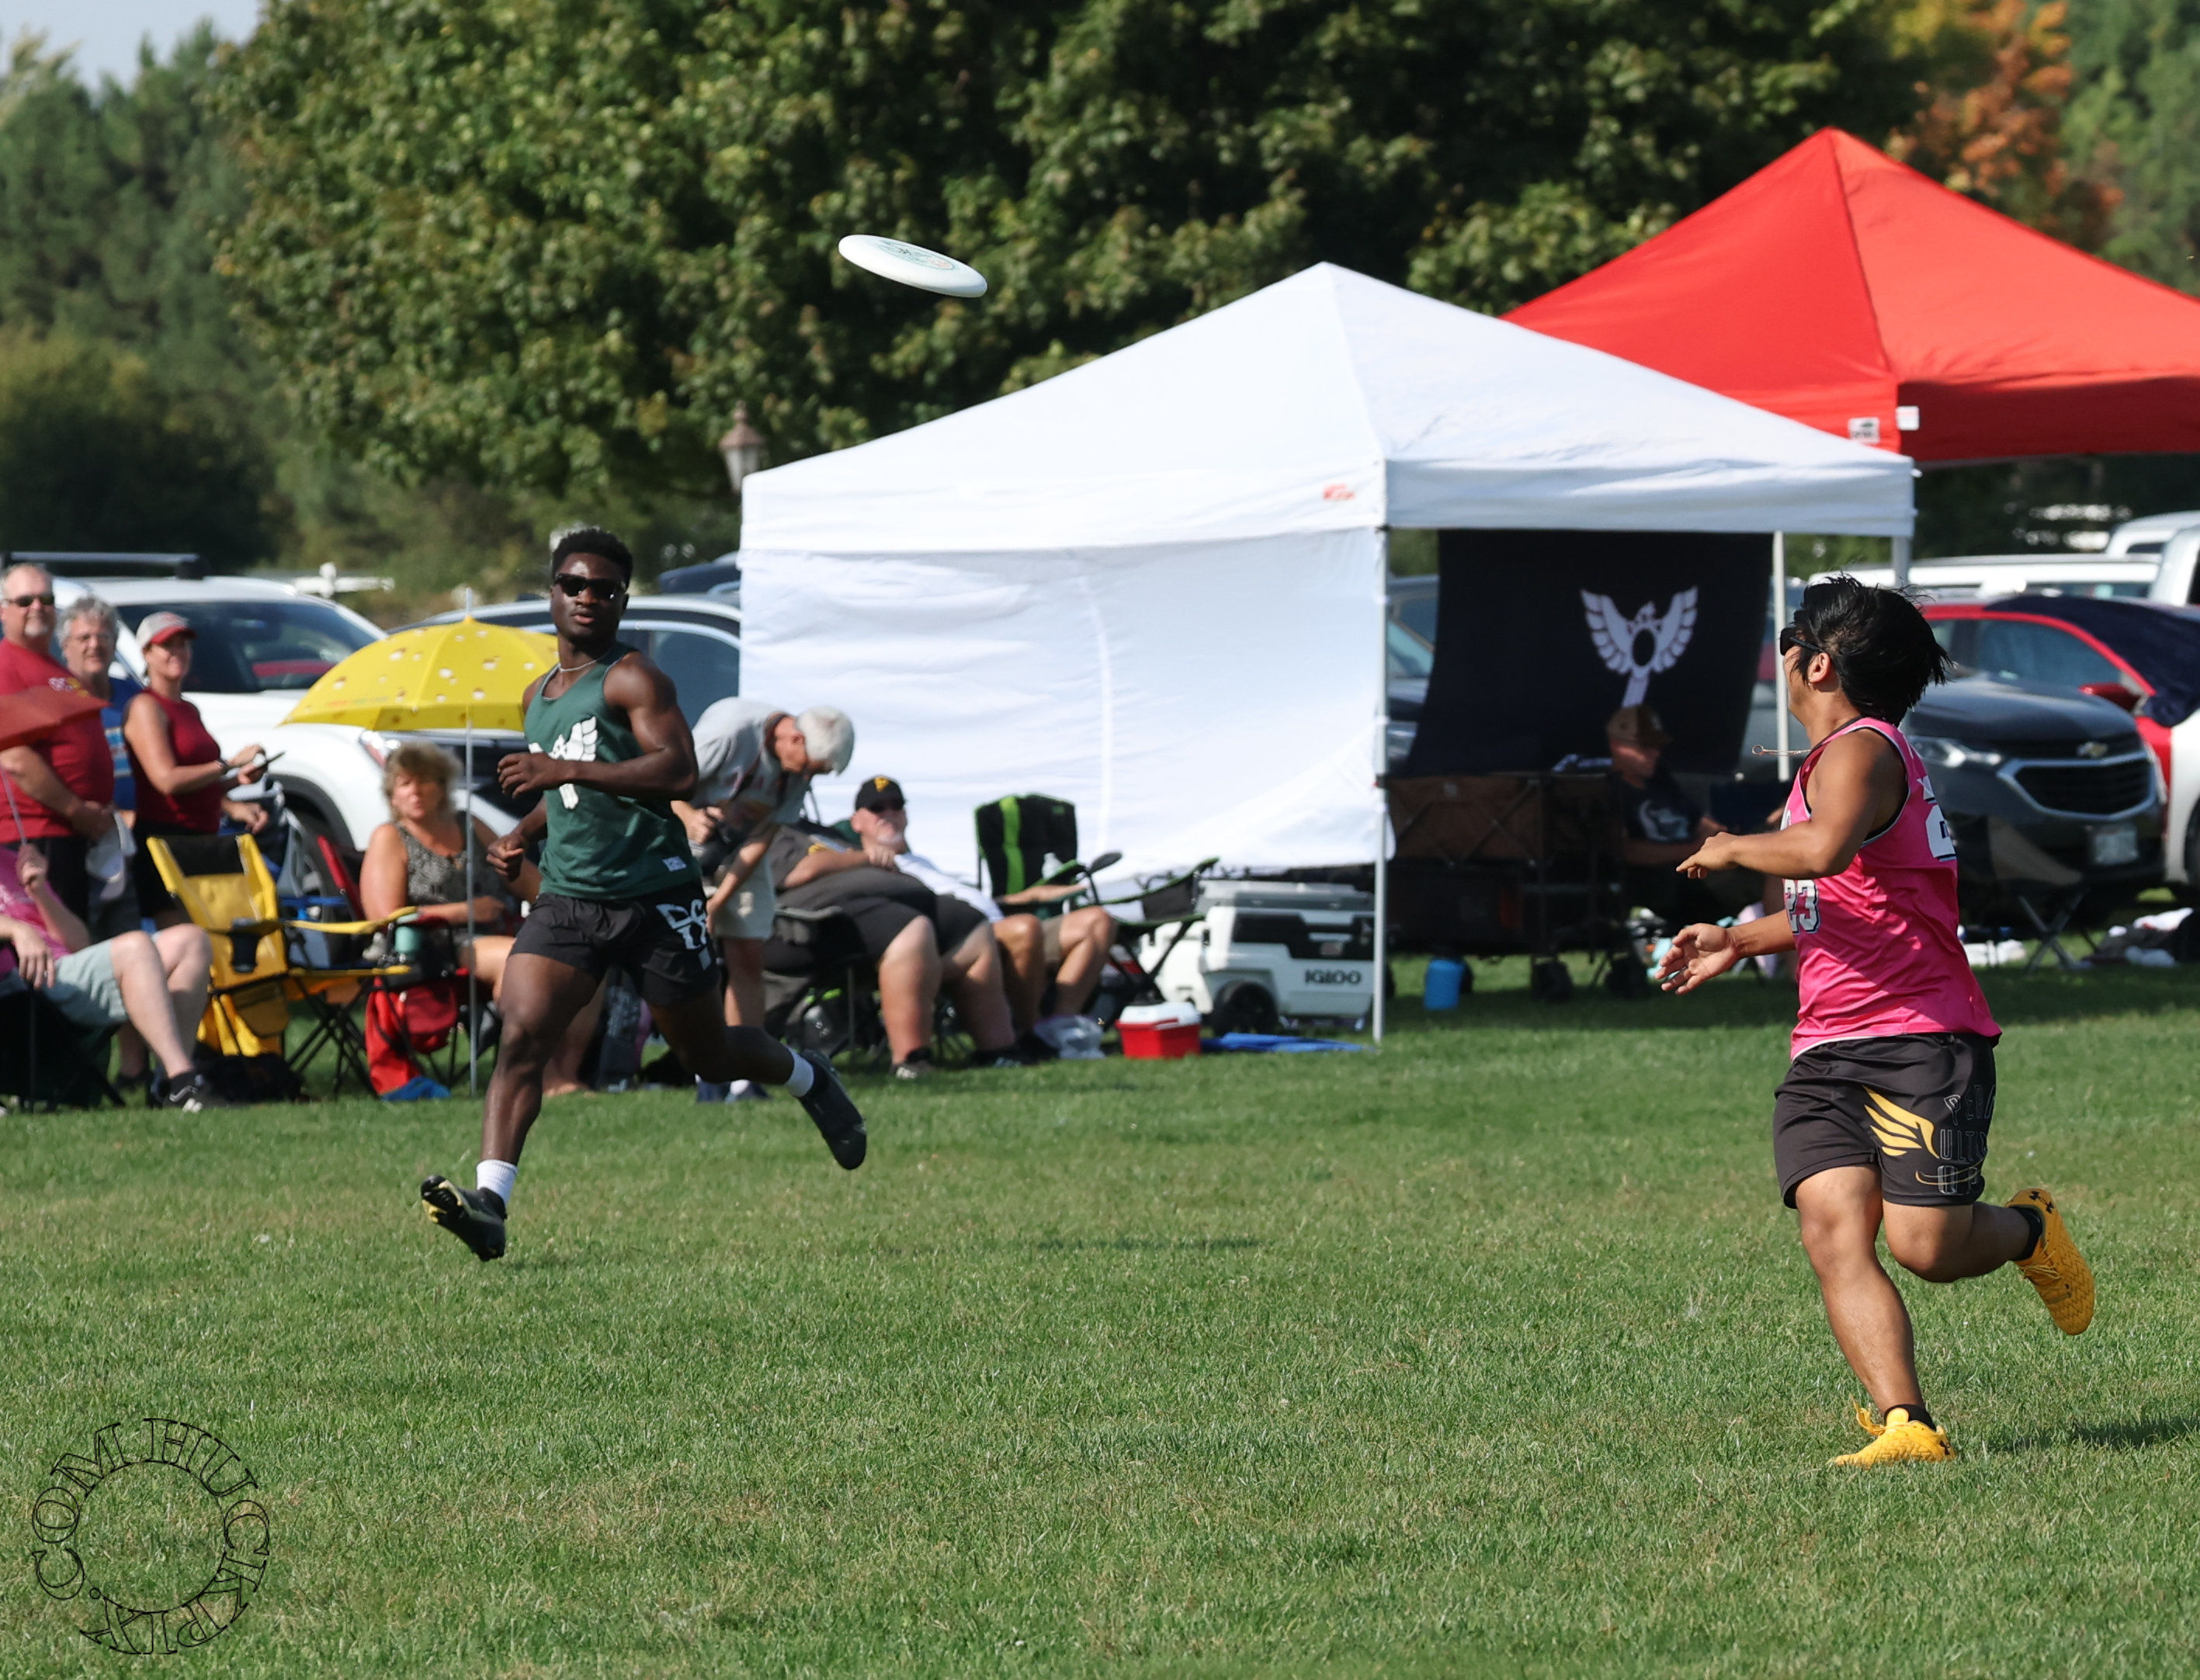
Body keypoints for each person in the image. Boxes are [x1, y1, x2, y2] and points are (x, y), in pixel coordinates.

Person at [1657, 576, 2094, 1467]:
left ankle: (2028, 1229)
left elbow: (1821, 854)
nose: (1782, 658)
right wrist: (1737, 940)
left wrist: (1731, 844)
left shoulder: (1859, 750)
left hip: (1919, 1040)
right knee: (1831, 1227)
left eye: (1790, 643)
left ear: (1816, 663)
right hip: (1825, 1047)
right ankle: (1908, 1424)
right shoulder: (1830, 766)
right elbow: (1839, 905)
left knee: (1924, 1246)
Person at [418, 527, 869, 1262]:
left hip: (656, 898)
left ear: (622, 601)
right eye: (574, 585)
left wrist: (562, 773)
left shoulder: (634, 679)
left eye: (604, 589)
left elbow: (677, 773)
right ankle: (491, 1203)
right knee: (522, 1035)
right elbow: (570, 791)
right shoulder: (537, 696)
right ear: (552, 593)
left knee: (710, 1055)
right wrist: (522, 833)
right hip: (570, 897)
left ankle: (808, 1076)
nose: (588, 598)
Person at [359, 741, 602, 1099]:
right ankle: (537, 1073)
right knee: (520, 960)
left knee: (587, 950)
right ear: (392, 794)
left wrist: (576, 910)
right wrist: (466, 911)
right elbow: (385, 919)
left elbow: (530, 882)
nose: (415, 791)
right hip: (431, 949)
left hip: (496, 934)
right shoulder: (390, 837)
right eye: (405, 783)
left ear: (443, 786)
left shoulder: (468, 824)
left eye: (425, 781)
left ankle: (566, 1071)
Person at [842, 776, 1116, 1053]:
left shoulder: (921, 861)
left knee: (1098, 920)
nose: (889, 813)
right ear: (856, 822)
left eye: (896, 805)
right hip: (963, 940)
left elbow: (968, 896)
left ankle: (1059, 1025)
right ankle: (1029, 1033)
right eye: (877, 808)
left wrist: (1027, 897)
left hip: (1001, 923)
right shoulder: (863, 868)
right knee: (1026, 927)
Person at [670, 698, 853, 1100]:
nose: (806, 778)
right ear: (795, 738)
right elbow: (663, 782)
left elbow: (764, 835)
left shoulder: (798, 767)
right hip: (678, 845)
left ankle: (744, 1074)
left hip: (740, 853)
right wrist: (688, 817)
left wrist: (720, 901)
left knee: (749, 953)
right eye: (809, 768)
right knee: (692, 959)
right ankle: (706, 1073)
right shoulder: (731, 732)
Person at [765, 814, 1026, 1078]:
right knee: (910, 929)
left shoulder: (818, 831)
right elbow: (797, 873)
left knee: (969, 924)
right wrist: (863, 858)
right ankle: (911, 1060)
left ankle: (999, 1051)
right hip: (815, 923)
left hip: (888, 904)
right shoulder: (767, 830)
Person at [0, 840, 223, 1109]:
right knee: (135, 947)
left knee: (191, 941)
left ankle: (167, 1085)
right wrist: (17, 930)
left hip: (66, 971)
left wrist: (40, 893)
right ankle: (182, 1081)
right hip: (24, 982)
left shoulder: (15, 863)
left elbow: (79, 943)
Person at [123, 613, 268, 928]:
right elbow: (166, 780)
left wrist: (235, 782)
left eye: (183, 645)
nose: (178, 652)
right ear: (146, 653)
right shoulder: (146, 706)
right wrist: (228, 764)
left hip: (202, 838)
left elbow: (196, 784)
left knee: (214, 938)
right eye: (168, 646)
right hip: (165, 842)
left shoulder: (189, 708)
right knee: (185, 941)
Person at [0, 563, 113, 922]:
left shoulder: (56, 668)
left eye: (46, 599)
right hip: (36, 836)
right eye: (25, 601)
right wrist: (77, 810)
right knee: (56, 944)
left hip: (74, 833)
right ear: (3, 610)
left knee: (80, 937)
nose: (37, 607)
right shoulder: (5, 666)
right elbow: (14, 757)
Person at [1605, 703, 1759, 925]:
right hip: (1668, 883)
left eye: (1657, 746)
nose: (1655, 753)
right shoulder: (1610, 790)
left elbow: (1701, 822)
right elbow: (1626, 849)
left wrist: (1719, 836)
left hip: (1702, 868)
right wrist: (1693, 850)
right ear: (1617, 745)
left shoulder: (1661, 781)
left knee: (1772, 853)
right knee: (1773, 873)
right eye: (1645, 746)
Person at [58, 597, 143, 942]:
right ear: (65, 646)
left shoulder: (133, 697)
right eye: (84, 637)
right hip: (81, 835)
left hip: (135, 838)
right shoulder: (56, 699)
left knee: (130, 934)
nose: (95, 645)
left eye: (103, 637)